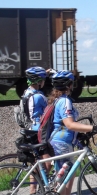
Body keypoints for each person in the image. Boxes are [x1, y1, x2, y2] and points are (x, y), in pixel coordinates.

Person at [49, 70, 97, 195]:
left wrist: (79, 133)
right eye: (72, 82)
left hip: (64, 142)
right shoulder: (65, 101)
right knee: (61, 183)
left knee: (68, 174)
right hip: (62, 143)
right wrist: (94, 128)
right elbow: (70, 124)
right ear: (69, 85)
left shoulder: (58, 99)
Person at [23, 66, 52, 195]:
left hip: (30, 128)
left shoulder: (27, 92)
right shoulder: (40, 96)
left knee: (36, 163)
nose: (44, 81)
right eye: (43, 79)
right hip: (39, 132)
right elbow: (48, 111)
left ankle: (33, 191)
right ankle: (44, 186)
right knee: (49, 160)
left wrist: (43, 74)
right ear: (39, 81)